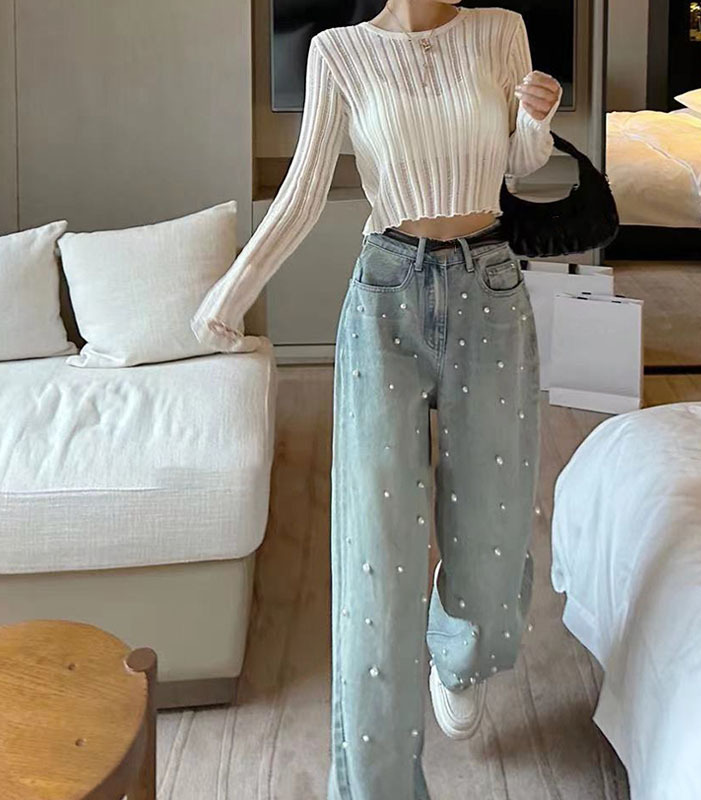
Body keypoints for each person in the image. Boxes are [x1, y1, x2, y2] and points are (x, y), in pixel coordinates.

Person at [191, 2, 561, 798]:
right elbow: (303, 192)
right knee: (376, 560)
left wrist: (537, 121)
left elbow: (516, 165)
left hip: (491, 290)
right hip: (387, 293)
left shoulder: (500, 30)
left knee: (494, 538)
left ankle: (459, 657)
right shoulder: (338, 52)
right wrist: (231, 292)